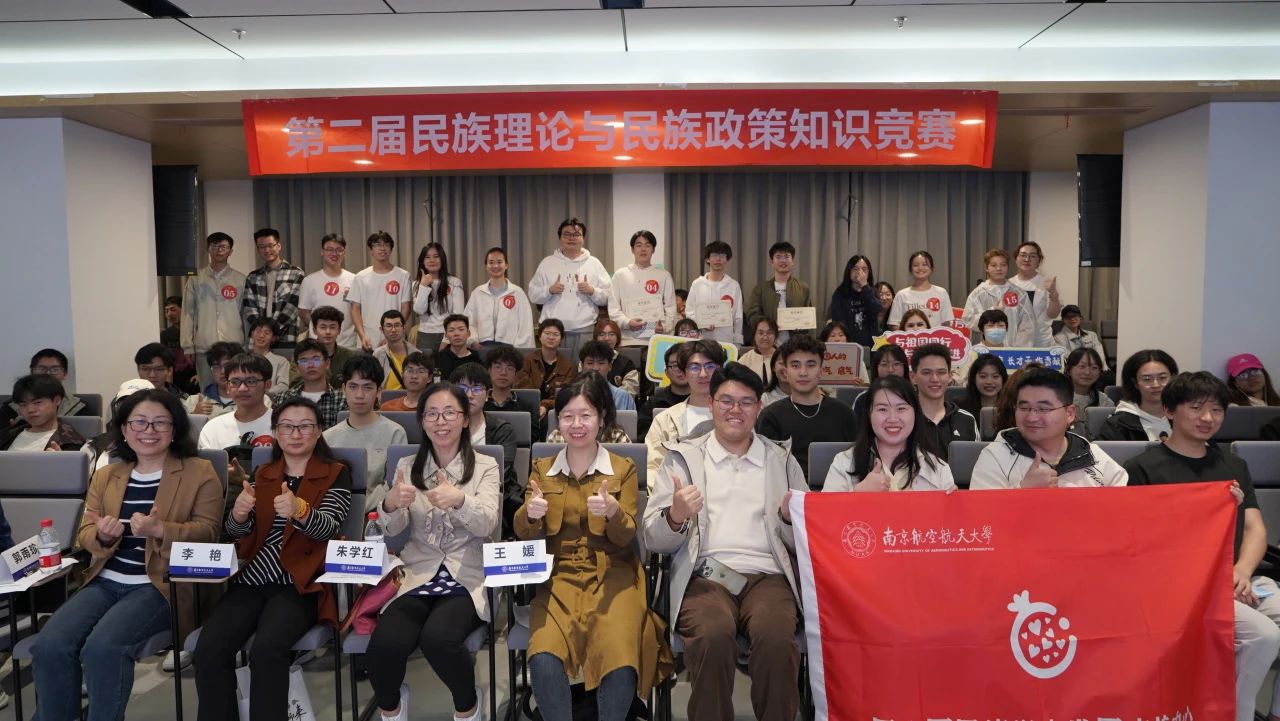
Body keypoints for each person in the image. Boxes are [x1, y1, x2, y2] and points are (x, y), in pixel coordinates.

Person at [30, 389, 221, 721]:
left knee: (103, 648)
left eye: (160, 423)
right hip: (104, 581)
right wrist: (102, 536)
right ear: (124, 429)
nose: (149, 431)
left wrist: (161, 530)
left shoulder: (198, 471)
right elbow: (85, 533)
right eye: (139, 422)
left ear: (174, 429)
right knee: (49, 645)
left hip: (160, 585)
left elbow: (209, 533)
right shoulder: (108, 475)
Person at [643, 362, 806, 721]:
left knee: (777, 638)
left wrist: (787, 520)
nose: (736, 410)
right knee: (712, 635)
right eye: (727, 401)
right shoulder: (683, 458)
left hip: (769, 577)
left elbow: (808, 542)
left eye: (746, 402)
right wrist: (676, 516)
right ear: (711, 403)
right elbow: (653, 539)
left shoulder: (781, 460)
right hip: (705, 577)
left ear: (759, 407)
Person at [1121, 371, 1280, 721]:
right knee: (1263, 636)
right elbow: (1137, 543)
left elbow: (1255, 528)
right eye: (1196, 408)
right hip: (1181, 588)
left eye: (1216, 410)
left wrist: (1242, 571)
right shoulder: (1141, 469)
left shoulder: (1233, 465)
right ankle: (1234, 714)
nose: (1208, 418)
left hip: (1238, 579)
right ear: (1170, 411)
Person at [515, 375, 671, 721]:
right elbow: (523, 532)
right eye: (568, 416)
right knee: (543, 660)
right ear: (557, 422)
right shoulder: (542, 469)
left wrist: (614, 512)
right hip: (558, 577)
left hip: (615, 575)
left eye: (585, 415)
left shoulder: (622, 468)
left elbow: (626, 535)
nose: (577, 424)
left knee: (620, 661)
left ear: (601, 419)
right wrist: (530, 514)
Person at [193, 397, 353, 721]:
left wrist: (299, 510)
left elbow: (329, 528)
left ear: (318, 431)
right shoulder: (264, 473)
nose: (295, 434)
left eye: (304, 426)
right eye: (287, 427)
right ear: (276, 433)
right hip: (253, 579)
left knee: (267, 651)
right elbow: (237, 532)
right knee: (208, 650)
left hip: (300, 582)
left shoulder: (336, 473)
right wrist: (239, 514)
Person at [368, 383, 500, 721]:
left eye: (450, 413)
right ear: (422, 421)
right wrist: (390, 504)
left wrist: (460, 500)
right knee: (384, 644)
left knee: (439, 639)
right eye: (432, 414)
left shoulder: (485, 465)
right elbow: (393, 530)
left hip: (466, 573)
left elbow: (488, 524)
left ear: (465, 419)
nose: (441, 422)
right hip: (418, 573)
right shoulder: (407, 465)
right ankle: (393, 708)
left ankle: (468, 707)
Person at [971, 368, 1127, 489]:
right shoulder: (996, 457)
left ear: (1069, 413)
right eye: (1023, 407)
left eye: (1043, 409)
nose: (1031, 417)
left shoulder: (1093, 456)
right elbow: (982, 516)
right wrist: (1023, 492)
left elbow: (1122, 509)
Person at [823, 374, 956, 492]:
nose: (892, 419)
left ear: (915, 413)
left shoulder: (938, 468)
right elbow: (824, 511)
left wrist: (953, 504)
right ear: (869, 414)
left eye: (901, 408)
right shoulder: (844, 462)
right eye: (882, 409)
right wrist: (858, 494)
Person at [756, 334, 857, 484]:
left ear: (821, 370)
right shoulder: (770, 416)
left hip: (839, 491)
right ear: (786, 372)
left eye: (811, 365)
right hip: (788, 492)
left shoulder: (844, 414)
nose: (803, 372)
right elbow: (767, 471)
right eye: (795, 365)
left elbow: (858, 461)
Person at [322, 355, 407, 512]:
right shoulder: (327, 437)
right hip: (335, 515)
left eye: (367, 387)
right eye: (353, 387)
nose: (359, 395)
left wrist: (359, 510)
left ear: (378, 391)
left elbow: (394, 484)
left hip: (382, 513)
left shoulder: (395, 432)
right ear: (343, 389)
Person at [526, 217, 612, 360]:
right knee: (553, 368)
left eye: (576, 234)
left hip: (584, 329)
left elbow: (608, 296)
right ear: (560, 237)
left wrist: (592, 291)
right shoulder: (547, 263)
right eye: (566, 234)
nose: (571, 238)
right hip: (553, 330)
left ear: (583, 238)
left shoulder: (594, 263)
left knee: (583, 367)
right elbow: (533, 294)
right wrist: (549, 290)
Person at [448, 363, 519, 534]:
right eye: (462, 388)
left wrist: (462, 496)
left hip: (491, 498)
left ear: (487, 395)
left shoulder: (502, 430)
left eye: (477, 389)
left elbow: (502, 473)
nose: (469, 395)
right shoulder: (442, 428)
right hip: (448, 498)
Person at [646, 341, 724, 482]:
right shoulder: (665, 419)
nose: (703, 374)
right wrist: (671, 493)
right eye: (694, 367)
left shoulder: (735, 414)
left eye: (710, 366)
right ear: (684, 373)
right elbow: (652, 468)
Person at [182, 232, 247, 386]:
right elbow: (187, 313)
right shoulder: (195, 279)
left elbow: (245, 314)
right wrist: (187, 346)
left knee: (235, 388)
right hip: (204, 346)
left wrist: (248, 345)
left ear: (231, 251)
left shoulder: (241, 279)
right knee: (207, 390)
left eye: (223, 246)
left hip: (234, 347)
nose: (219, 250)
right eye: (214, 246)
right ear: (207, 249)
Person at [609, 229, 677, 347]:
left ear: (653, 249)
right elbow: (613, 309)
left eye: (647, 245)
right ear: (632, 249)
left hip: (656, 339)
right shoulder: (620, 275)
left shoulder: (664, 275)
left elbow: (671, 307)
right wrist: (627, 322)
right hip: (627, 340)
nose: (643, 249)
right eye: (639, 245)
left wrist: (664, 326)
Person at [909, 344, 978, 459]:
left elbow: (975, 464)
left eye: (941, 372)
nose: (934, 379)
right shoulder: (903, 419)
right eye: (926, 373)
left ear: (950, 376)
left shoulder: (966, 420)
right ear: (913, 377)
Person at [348, 231, 412, 352]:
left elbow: (406, 308)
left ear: (391, 249)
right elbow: (355, 309)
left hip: (395, 340)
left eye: (386, 244)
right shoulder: (360, 277)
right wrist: (362, 335)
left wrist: (391, 335)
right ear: (370, 250)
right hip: (367, 340)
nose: (382, 248)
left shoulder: (403, 275)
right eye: (377, 245)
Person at [197, 353, 276, 451]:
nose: (242, 388)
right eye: (235, 382)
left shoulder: (282, 425)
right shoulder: (213, 428)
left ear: (267, 385)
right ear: (228, 387)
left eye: (251, 381)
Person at [242, 228, 305, 350]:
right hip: (258, 341)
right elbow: (249, 308)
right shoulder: (253, 277)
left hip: (286, 338)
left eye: (270, 245)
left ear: (279, 246)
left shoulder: (296, 273)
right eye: (261, 247)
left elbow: (293, 307)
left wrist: (272, 332)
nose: (266, 250)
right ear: (258, 249)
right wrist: (262, 333)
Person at [1097, 349, 1179, 441]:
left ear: (1173, 378)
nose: (1156, 385)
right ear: (1135, 383)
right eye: (1147, 379)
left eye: (1162, 377)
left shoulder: (1184, 417)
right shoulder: (1118, 425)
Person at [462, 246, 534, 349]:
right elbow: (468, 322)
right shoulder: (477, 293)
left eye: (499, 262)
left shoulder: (517, 293)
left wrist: (518, 350)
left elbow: (526, 326)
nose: (495, 266)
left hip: (510, 348)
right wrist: (473, 342)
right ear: (486, 266)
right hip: (482, 347)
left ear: (506, 265)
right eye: (491, 262)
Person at [961, 249, 1035, 346]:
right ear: (986, 268)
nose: (999, 268)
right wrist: (992, 311)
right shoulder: (977, 294)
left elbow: (1028, 325)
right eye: (993, 265)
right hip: (985, 348)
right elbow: (968, 320)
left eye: (1003, 265)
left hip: (1013, 349)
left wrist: (1016, 348)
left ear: (1008, 267)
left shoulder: (1019, 294)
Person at [298, 233, 359, 351]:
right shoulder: (309, 280)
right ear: (322, 252)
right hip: (317, 345)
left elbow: (358, 311)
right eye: (330, 249)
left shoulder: (354, 280)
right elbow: (304, 312)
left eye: (339, 250)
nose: (334, 254)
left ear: (344, 252)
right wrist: (320, 330)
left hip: (347, 343)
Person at [0, 349, 90, 428]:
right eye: (41, 369)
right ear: (32, 372)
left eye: (55, 370)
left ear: (65, 374)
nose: (48, 374)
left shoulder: (79, 407)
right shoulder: (12, 406)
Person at [747, 241, 812, 343]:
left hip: (795, 343)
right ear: (772, 262)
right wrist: (770, 325)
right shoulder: (760, 289)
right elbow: (752, 316)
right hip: (767, 343)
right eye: (778, 257)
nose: (783, 261)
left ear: (793, 261)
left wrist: (801, 325)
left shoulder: (803, 288)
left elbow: (809, 316)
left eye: (786, 257)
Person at [0, 375, 87, 451]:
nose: (30, 410)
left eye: (37, 402)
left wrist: (62, 461)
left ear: (57, 400)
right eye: (23, 404)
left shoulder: (69, 442)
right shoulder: (8, 434)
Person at [276, 340, 347, 430]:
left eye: (316, 360)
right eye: (304, 361)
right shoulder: (283, 399)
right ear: (297, 367)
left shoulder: (342, 400)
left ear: (327, 363)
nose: (310, 365)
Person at [685, 241, 744, 346]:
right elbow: (689, 312)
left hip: (726, 341)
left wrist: (737, 343)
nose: (718, 259)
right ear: (707, 259)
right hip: (701, 340)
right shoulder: (697, 284)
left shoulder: (733, 285)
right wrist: (702, 323)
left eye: (722, 255)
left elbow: (738, 317)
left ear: (727, 259)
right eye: (714, 255)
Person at [413, 242, 466, 354]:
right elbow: (419, 310)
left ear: (442, 259)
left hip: (449, 334)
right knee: (425, 365)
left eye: (436, 256)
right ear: (422, 261)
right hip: (425, 335)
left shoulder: (454, 282)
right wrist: (423, 286)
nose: (432, 260)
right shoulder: (416, 284)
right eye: (427, 257)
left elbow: (458, 315)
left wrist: (446, 339)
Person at [517, 319, 577, 417]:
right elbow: (521, 387)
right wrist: (536, 406)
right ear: (540, 336)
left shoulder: (569, 365)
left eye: (556, 334)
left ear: (561, 339)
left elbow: (566, 394)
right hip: (527, 408)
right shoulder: (527, 361)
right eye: (547, 333)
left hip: (555, 410)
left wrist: (545, 405)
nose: (551, 337)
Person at [482, 347, 542, 442]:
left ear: (516, 373)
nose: (503, 373)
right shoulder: (479, 404)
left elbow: (533, 436)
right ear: (489, 370)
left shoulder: (526, 407)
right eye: (498, 367)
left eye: (509, 368)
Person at [1008, 241, 1060, 347]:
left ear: (1039, 260)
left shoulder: (1048, 283)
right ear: (1016, 258)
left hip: (1041, 342)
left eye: (1032, 256)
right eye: (1023, 255)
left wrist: (1053, 294)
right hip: (1015, 343)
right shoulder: (1008, 284)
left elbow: (1053, 315)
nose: (1027, 259)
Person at [887, 251, 953, 331]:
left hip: (935, 339)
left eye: (925, 264)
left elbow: (947, 322)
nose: (920, 268)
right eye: (916, 265)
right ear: (910, 269)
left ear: (932, 268)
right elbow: (894, 324)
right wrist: (908, 336)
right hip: (909, 338)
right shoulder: (901, 295)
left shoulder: (941, 292)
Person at [638, 344, 690, 439]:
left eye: (685, 364)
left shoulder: (704, 401)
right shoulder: (653, 403)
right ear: (666, 372)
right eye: (675, 365)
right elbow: (643, 438)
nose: (680, 369)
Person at [829, 254, 882, 346]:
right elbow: (837, 321)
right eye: (855, 269)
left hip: (870, 344)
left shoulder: (872, 291)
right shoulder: (840, 293)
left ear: (869, 273)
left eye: (864, 269)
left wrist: (864, 286)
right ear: (849, 271)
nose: (859, 272)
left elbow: (876, 309)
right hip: (847, 344)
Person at [301, 305, 360, 389]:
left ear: (339, 330)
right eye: (323, 327)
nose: (328, 332)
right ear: (314, 330)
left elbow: (355, 385)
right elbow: (295, 384)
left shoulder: (350, 357)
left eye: (332, 327)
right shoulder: (302, 354)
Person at [134, 343, 199, 412]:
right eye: (146, 369)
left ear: (170, 371)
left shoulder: (180, 398)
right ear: (138, 370)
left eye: (159, 369)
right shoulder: (130, 397)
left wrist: (194, 413)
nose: (152, 375)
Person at [576, 341, 637, 412]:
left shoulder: (623, 397)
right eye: (590, 363)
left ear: (610, 366)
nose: (595, 368)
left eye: (601, 363)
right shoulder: (573, 395)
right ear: (582, 366)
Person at [193, 341, 243, 418]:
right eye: (216, 366)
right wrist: (195, 415)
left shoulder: (254, 399)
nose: (222, 371)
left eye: (227, 365)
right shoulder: (198, 401)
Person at [594, 319, 640, 398]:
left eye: (611, 334)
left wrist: (607, 398)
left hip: (618, 403)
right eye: (602, 334)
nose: (607, 338)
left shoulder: (627, 364)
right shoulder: (587, 361)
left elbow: (631, 391)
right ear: (596, 338)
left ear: (617, 338)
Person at [1052, 304, 1107, 370]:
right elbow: (1070, 359)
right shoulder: (1058, 339)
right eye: (1068, 317)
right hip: (1075, 371)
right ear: (1063, 320)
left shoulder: (1092, 335)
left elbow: (1100, 355)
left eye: (1075, 316)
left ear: (1080, 318)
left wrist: (1099, 368)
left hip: (1098, 368)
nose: (1072, 319)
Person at [1064, 347, 1114, 418]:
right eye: (1082, 366)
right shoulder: (1057, 397)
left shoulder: (1104, 402)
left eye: (1094, 367)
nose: (1087, 372)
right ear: (1069, 369)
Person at [247, 318, 291, 396]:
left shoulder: (281, 361)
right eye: (258, 331)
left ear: (273, 338)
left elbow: (283, 386)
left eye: (267, 333)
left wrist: (263, 395)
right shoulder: (243, 359)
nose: (261, 335)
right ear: (252, 334)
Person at [433, 314, 484, 381]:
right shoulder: (437, 358)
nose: (456, 334)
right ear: (446, 336)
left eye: (461, 329)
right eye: (451, 330)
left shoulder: (476, 359)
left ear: (468, 333)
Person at [373, 310, 414, 391]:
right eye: (389, 326)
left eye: (397, 325)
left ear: (404, 328)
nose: (393, 330)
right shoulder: (377, 354)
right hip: (384, 398)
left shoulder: (415, 353)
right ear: (382, 329)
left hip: (409, 397)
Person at [958, 353, 1008, 420]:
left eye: (995, 376)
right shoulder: (960, 408)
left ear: (1003, 379)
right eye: (983, 376)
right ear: (974, 378)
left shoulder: (1011, 407)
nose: (989, 382)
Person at [738, 318, 779, 388]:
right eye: (760, 333)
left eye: (769, 333)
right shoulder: (745, 359)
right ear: (754, 335)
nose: (765, 337)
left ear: (776, 335)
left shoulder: (782, 357)